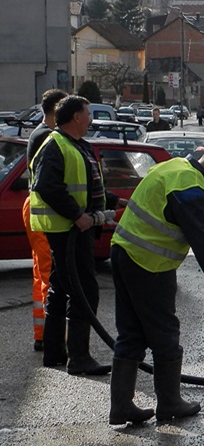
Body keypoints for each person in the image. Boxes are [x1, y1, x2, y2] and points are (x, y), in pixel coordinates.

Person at [108, 144, 204, 425]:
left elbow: (172, 213)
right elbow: (203, 248)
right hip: (149, 264)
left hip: (124, 251)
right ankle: (170, 403)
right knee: (165, 333)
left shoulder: (174, 168)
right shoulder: (194, 190)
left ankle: (121, 406)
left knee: (131, 333)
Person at [29, 95, 126, 375]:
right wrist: (77, 215)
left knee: (61, 286)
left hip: (73, 228)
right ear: (75, 118)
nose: (91, 119)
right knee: (84, 289)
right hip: (67, 229)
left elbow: (84, 184)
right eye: (88, 114)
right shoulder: (55, 145)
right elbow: (47, 186)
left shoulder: (75, 145)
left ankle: (54, 352)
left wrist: (113, 200)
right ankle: (79, 357)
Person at [22, 89, 67, 351]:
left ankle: (43, 333)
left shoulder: (40, 133)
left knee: (42, 272)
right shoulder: (47, 137)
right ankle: (49, 336)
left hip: (36, 208)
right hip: (42, 210)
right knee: (48, 273)